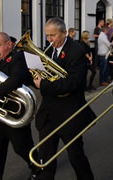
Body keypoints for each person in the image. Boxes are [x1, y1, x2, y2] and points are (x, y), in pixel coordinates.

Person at [32, 17, 96, 180]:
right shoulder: (50, 49)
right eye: (47, 36)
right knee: (45, 160)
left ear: (64, 32)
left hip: (69, 114)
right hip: (48, 115)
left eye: (53, 35)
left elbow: (74, 82)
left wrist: (43, 85)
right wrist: (34, 76)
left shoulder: (76, 51)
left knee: (76, 158)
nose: (49, 40)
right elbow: (44, 77)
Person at [0, 32, 37, 180]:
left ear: (9, 44)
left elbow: (16, 79)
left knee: (22, 147)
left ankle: (38, 166)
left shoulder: (18, 58)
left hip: (14, 113)